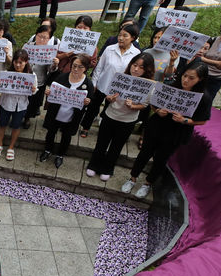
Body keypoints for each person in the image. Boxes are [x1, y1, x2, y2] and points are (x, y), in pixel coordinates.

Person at [122, 62, 211, 198]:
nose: (186, 80)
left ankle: (147, 183)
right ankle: (132, 178)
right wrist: (158, 110)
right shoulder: (171, 86)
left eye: (191, 78)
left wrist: (185, 120)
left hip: (176, 133)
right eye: (185, 75)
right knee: (144, 154)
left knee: (161, 159)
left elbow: (202, 120)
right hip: (157, 127)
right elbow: (153, 103)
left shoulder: (204, 98)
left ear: (201, 79)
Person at [86, 53, 155, 181]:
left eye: (141, 67)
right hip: (110, 116)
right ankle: (94, 164)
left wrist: (134, 106)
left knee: (116, 147)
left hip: (128, 121)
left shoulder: (149, 85)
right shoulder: (120, 78)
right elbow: (108, 95)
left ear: (147, 70)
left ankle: (108, 168)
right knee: (101, 143)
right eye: (134, 65)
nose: (136, 69)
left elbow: (145, 105)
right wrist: (110, 98)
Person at [81, 23, 141, 137]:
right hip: (102, 84)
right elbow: (99, 67)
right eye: (120, 35)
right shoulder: (109, 49)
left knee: (110, 109)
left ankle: (104, 128)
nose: (121, 38)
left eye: (125, 35)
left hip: (118, 89)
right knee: (93, 107)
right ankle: (86, 126)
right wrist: (94, 83)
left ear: (133, 38)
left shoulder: (136, 53)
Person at [40, 54, 94, 168]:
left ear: (85, 68)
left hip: (71, 116)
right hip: (56, 113)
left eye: (80, 67)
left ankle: (60, 155)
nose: (76, 69)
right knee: (51, 133)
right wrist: (49, 93)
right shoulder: (62, 77)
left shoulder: (88, 84)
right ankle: (47, 150)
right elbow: (52, 88)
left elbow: (90, 101)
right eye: (74, 66)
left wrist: (87, 102)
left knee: (66, 136)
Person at [0, 49, 37, 161]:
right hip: (6, 103)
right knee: (2, 124)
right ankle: (0, 144)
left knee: (16, 126)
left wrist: (33, 89)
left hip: (21, 105)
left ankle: (11, 147)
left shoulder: (31, 75)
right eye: (16, 62)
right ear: (12, 62)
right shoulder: (6, 74)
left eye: (21, 62)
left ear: (26, 62)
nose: (18, 65)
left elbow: (34, 91)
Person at [22, 24, 61, 129]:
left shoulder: (49, 51)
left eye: (45, 37)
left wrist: (55, 64)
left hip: (39, 81)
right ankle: (19, 115)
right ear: (36, 35)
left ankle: (27, 118)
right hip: (24, 79)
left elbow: (50, 70)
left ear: (49, 39)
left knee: (33, 102)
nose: (42, 39)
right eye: (40, 36)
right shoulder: (27, 46)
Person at [198, 19, 221, 105]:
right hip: (202, 73)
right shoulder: (213, 40)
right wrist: (215, 63)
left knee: (207, 101)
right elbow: (199, 57)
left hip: (216, 77)